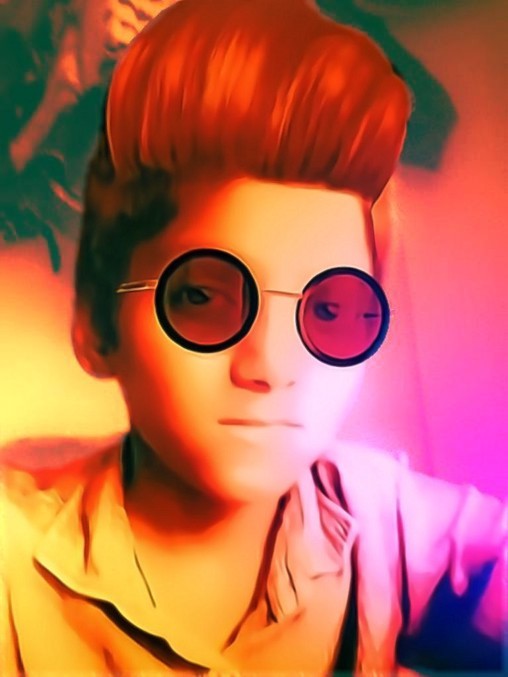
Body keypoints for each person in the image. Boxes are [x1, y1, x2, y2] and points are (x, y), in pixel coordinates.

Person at [1, 0, 505, 674]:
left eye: (329, 309)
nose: (272, 364)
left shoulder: (380, 511)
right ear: (97, 326)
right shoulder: (12, 567)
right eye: (203, 298)